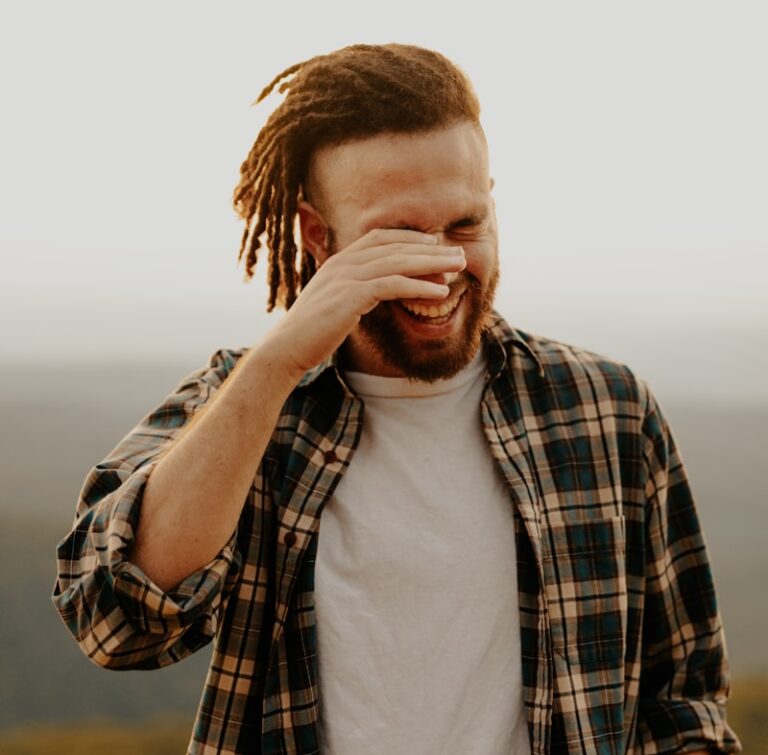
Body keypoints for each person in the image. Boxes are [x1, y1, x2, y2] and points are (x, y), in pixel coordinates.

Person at [52, 43, 741, 754]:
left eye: (465, 225)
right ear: (319, 236)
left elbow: (682, 699)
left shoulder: (609, 411)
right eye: (399, 236)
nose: (442, 267)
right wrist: (277, 364)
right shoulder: (246, 401)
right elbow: (115, 617)